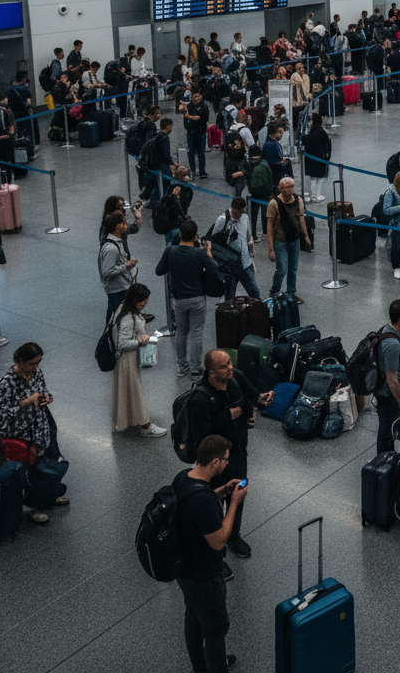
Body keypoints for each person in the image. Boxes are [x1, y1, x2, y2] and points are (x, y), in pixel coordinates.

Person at [188, 350, 275, 560]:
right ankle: (213, 547)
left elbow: (252, 397)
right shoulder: (200, 399)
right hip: (214, 464)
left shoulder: (235, 377)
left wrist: (262, 398)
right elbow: (201, 439)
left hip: (238, 453)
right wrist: (228, 415)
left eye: (229, 363)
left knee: (238, 494)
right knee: (213, 503)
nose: (230, 369)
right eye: (223, 366)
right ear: (211, 373)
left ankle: (233, 535)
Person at [173, 433, 247, 673]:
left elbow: (194, 503)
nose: (227, 463)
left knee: (193, 616)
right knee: (215, 631)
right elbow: (219, 541)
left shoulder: (183, 477)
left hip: (184, 569)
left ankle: (200, 667)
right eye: (225, 460)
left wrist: (221, 491)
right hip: (205, 576)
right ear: (215, 462)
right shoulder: (203, 502)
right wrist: (234, 502)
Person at [0, 342, 70, 523]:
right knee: (29, 472)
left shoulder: (37, 373)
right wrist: (26, 402)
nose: (36, 367)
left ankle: (47, 497)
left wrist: (46, 397)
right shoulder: (7, 383)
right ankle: (33, 507)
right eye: (32, 363)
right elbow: (3, 414)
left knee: (46, 467)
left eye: (38, 362)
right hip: (22, 435)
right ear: (20, 361)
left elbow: (42, 389)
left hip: (41, 428)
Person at [155, 219, 222, 381]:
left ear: (180, 234)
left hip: (179, 299)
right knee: (197, 333)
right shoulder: (199, 254)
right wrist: (208, 252)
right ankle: (196, 369)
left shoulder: (170, 251)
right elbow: (215, 268)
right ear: (195, 235)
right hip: (197, 297)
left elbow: (159, 270)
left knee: (182, 331)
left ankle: (181, 364)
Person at [110, 283, 165, 437]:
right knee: (136, 391)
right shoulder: (128, 317)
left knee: (127, 391)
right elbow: (122, 343)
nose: (143, 305)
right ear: (134, 300)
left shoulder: (123, 308)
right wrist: (141, 341)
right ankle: (145, 426)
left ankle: (130, 419)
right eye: (142, 303)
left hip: (123, 360)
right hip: (127, 360)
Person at [374, 299, 400, 454]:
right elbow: (391, 378)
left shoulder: (387, 329)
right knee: (386, 428)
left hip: (384, 390)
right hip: (387, 394)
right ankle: (383, 461)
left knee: (388, 425)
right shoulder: (392, 344)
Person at [266, 177, 311, 300]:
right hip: (280, 241)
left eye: (290, 186)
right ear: (280, 189)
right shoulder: (274, 203)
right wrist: (271, 249)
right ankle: (274, 291)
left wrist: (306, 236)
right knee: (282, 269)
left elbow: (301, 218)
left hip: (294, 240)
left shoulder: (298, 200)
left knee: (293, 269)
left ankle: (290, 292)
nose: (288, 189)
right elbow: (269, 226)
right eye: (285, 187)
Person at [211, 197, 259, 300]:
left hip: (245, 262)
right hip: (230, 264)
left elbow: (248, 236)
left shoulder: (245, 217)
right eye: (237, 213)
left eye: (241, 212)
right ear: (232, 208)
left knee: (255, 292)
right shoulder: (222, 219)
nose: (239, 215)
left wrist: (250, 243)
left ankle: (259, 313)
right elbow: (214, 240)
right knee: (230, 296)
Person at [98, 211, 139, 322]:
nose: (125, 224)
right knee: (119, 319)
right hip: (117, 289)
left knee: (116, 316)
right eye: (122, 222)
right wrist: (125, 266)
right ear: (115, 227)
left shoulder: (116, 243)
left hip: (120, 286)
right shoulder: (111, 248)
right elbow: (106, 272)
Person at [302, 112, 331, 203]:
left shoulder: (311, 133)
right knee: (319, 178)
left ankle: (313, 194)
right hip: (320, 158)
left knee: (313, 178)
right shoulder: (322, 132)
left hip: (311, 159)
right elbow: (328, 145)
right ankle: (316, 195)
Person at [182, 90, 209, 179]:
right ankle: (192, 170)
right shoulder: (188, 107)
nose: (196, 98)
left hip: (201, 132)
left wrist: (191, 118)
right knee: (191, 152)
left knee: (201, 152)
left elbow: (202, 119)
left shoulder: (204, 107)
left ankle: (202, 171)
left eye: (198, 96)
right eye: (194, 96)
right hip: (191, 133)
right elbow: (185, 119)